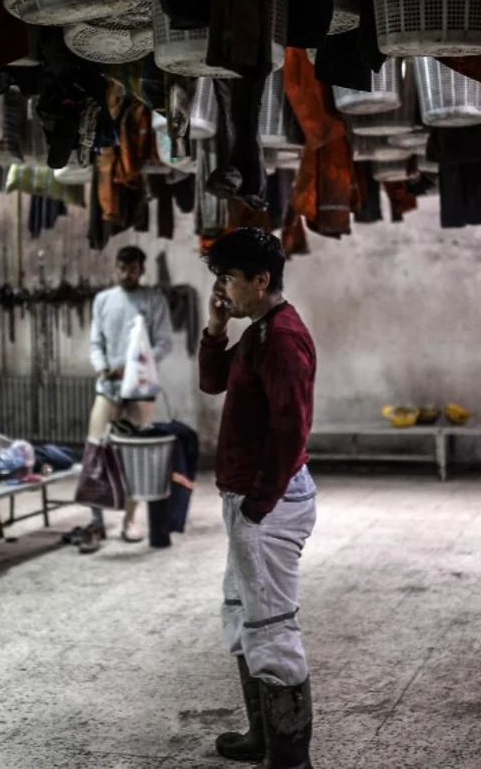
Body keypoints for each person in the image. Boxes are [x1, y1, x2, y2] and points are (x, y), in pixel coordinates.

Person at [198, 228, 317, 769]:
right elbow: (213, 381)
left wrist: (257, 508)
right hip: (250, 498)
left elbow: (292, 431)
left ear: (260, 280)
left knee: (271, 626)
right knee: (243, 614)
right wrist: (216, 328)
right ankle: (263, 735)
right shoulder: (258, 332)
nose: (224, 289)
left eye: (229, 279)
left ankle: (289, 758)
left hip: (268, 502)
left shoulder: (283, 339)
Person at [82, 245, 173, 553]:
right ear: (116, 268)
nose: (126, 274)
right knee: (95, 449)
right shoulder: (104, 300)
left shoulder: (154, 300)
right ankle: (96, 520)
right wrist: (103, 368)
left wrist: (134, 365)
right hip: (108, 386)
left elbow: (163, 343)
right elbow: (95, 342)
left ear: (141, 270)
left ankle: (130, 520)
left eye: (133, 270)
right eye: (122, 268)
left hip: (141, 387)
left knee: (135, 456)